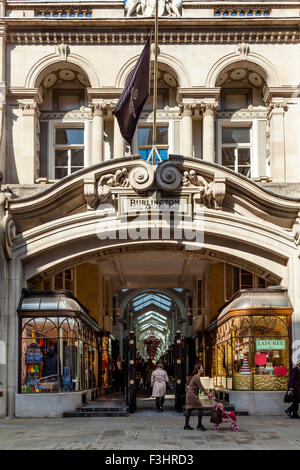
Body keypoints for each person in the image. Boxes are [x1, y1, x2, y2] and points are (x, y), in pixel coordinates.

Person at [184, 363, 212, 431]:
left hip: (190, 394)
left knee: (189, 409)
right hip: (192, 394)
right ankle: (199, 425)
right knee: (200, 408)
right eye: (202, 368)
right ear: (198, 369)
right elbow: (201, 388)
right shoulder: (196, 377)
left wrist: (207, 393)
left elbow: (200, 388)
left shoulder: (195, 376)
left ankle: (186, 425)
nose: (203, 369)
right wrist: (208, 394)